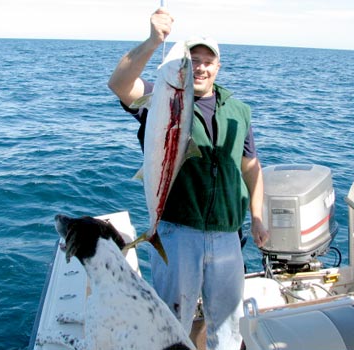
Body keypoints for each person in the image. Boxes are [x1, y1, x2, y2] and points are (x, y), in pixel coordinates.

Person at [108, 7, 269, 350]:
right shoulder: (162, 97)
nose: (198, 66)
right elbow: (119, 84)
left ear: (218, 67)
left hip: (228, 235)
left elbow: (251, 166)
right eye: (191, 59)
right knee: (171, 323)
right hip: (177, 232)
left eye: (206, 60)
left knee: (228, 329)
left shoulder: (239, 110)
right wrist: (153, 41)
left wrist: (257, 216)